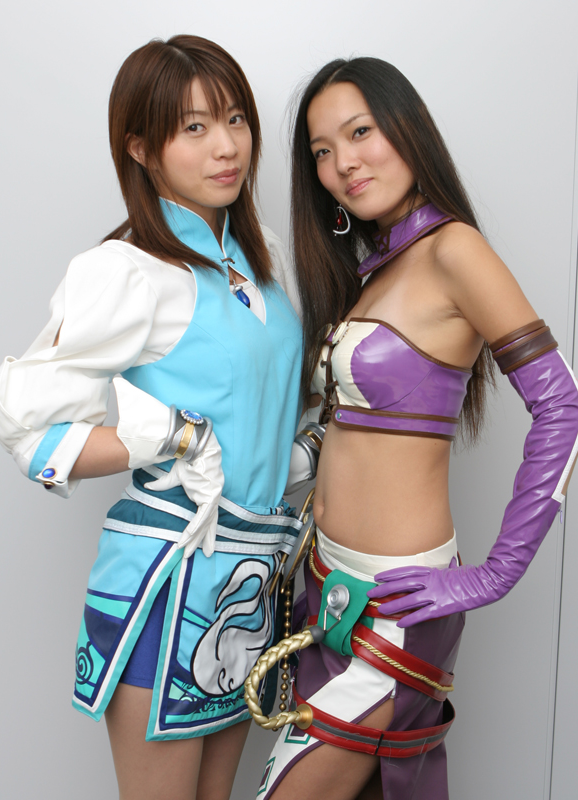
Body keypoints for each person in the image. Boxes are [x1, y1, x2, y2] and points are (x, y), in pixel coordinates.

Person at [0, 35, 303, 800]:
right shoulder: (128, 270)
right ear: (141, 147)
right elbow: (25, 423)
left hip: (249, 583)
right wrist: (169, 437)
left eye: (234, 118)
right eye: (194, 127)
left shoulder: (258, 261)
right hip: (167, 578)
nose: (226, 146)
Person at [255, 57, 578, 800]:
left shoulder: (455, 250)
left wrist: (496, 573)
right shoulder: (377, 267)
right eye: (322, 151)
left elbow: (561, 405)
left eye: (360, 132)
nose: (343, 164)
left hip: (394, 604)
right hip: (325, 583)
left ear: (409, 127)